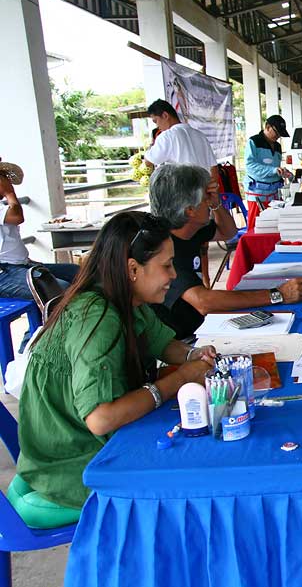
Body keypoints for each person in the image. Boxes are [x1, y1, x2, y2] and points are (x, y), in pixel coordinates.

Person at [11, 211, 215, 528]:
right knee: (186, 489)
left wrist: (195, 355)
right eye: (166, 265)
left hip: (81, 447)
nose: (174, 275)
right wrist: (179, 379)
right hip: (69, 464)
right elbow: (100, 418)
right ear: (133, 269)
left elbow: (164, 344)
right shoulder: (97, 315)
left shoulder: (126, 299)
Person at [148, 164, 302, 339]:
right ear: (190, 211)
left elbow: (228, 232)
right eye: (206, 199)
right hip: (185, 339)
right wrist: (278, 295)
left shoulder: (189, 228)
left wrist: (217, 204)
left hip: (203, 325)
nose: (209, 203)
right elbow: (203, 301)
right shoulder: (164, 248)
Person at [0, 161, 79, 348]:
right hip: (5, 274)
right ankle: (30, 349)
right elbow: (17, 216)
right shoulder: (7, 204)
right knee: (57, 290)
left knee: (78, 273)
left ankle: (53, 334)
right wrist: (9, 193)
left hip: (21, 266)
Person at [144, 99, 221, 286]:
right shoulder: (199, 135)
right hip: (202, 199)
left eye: (156, 121)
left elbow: (148, 161)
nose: (158, 126)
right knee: (201, 245)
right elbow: (214, 170)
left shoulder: (167, 136)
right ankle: (204, 282)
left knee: (177, 252)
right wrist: (210, 195)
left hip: (179, 204)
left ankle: (185, 285)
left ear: (165, 115)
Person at [244, 115, 293, 231]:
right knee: (256, 228)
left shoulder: (277, 146)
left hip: (274, 194)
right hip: (257, 194)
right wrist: (273, 170)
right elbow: (250, 166)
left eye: (280, 134)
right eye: (276, 132)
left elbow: (275, 167)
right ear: (267, 127)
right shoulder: (254, 142)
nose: (278, 136)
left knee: (274, 227)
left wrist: (282, 172)